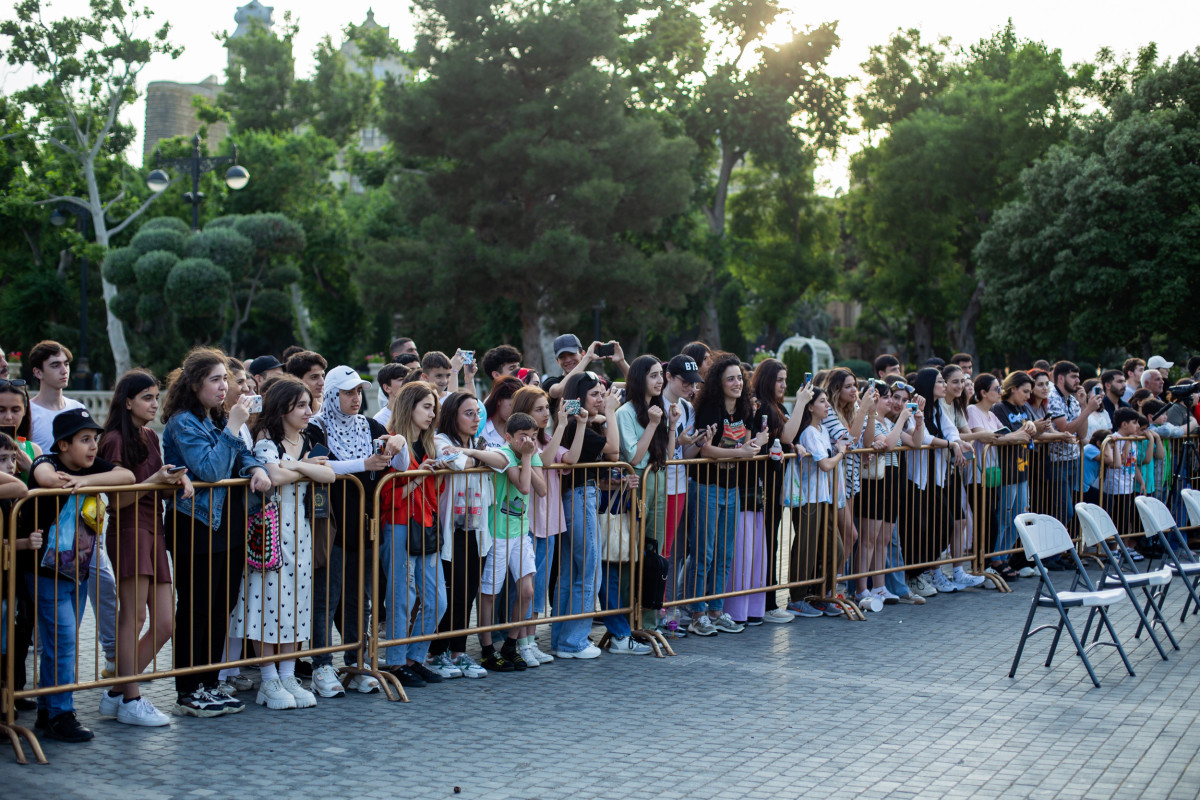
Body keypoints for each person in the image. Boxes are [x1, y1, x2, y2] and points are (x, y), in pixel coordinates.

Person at [162, 347, 273, 717]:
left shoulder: (218, 421)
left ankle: (210, 683)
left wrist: (256, 468)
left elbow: (243, 456)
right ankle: (188, 689)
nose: (224, 386)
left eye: (226, 378)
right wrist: (232, 427)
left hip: (229, 524)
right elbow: (209, 470)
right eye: (215, 379)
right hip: (195, 524)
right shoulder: (182, 423)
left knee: (221, 607)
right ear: (195, 385)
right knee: (196, 608)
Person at [23, 409, 135, 742]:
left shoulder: (88, 468)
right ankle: (61, 713)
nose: (92, 447)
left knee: (61, 643)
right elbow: (45, 477)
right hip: (45, 571)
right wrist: (76, 479)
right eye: (84, 440)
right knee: (65, 640)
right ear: (63, 444)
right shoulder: (48, 460)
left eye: (95, 440)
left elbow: (127, 477)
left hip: (78, 570)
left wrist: (86, 481)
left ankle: (48, 710)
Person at [230, 378, 333, 710]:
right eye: (300, 405)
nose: (307, 411)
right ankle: (269, 676)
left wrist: (295, 466)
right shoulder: (266, 441)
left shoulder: (307, 439)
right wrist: (304, 468)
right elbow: (272, 475)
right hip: (271, 529)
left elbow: (329, 475)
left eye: (308, 404)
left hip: (301, 531)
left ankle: (288, 672)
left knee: (298, 602)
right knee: (267, 603)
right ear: (283, 407)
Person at [97, 370, 190, 727]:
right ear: (128, 401)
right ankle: (131, 697)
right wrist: (155, 481)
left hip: (155, 529)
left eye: (156, 396)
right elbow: (117, 503)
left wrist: (176, 478)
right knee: (133, 617)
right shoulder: (115, 439)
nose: (154, 403)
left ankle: (117, 692)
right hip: (130, 529)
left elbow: (155, 482)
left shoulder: (150, 435)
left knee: (165, 622)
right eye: (147, 398)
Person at [28, 340, 119, 675]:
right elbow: (40, 467)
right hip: (47, 524)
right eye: (56, 364)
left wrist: (86, 481)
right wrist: (53, 475)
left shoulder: (78, 406)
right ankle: (48, 680)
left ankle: (112, 656)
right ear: (37, 371)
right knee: (58, 621)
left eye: (66, 363)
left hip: (85, 528)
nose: (64, 369)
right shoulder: (31, 411)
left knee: (102, 584)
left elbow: (112, 470)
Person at [307, 365, 390, 696]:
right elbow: (319, 464)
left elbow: (397, 463)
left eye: (358, 392)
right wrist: (363, 465)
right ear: (331, 396)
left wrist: (396, 443)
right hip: (333, 527)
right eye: (347, 392)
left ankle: (357, 663)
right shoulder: (317, 428)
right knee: (327, 599)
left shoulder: (369, 426)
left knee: (361, 601)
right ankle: (321, 666)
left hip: (366, 526)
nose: (356, 398)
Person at [426, 391, 508, 679]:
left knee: (469, 590)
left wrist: (472, 452)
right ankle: (437, 652)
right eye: (468, 413)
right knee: (450, 592)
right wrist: (473, 458)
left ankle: (459, 652)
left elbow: (502, 460)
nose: (476, 419)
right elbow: (457, 464)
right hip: (451, 529)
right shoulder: (439, 440)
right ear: (453, 415)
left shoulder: (477, 442)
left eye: (477, 413)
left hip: (476, 529)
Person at [686, 353, 768, 636]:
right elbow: (704, 449)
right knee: (704, 554)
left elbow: (745, 445)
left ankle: (716, 611)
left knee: (724, 553)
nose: (736, 383)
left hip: (731, 488)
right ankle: (697, 614)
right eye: (730, 378)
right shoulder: (709, 409)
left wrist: (756, 444)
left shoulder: (745, 410)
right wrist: (741, 451)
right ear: (718, 382)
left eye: (739, 378)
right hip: (707, 485)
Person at [379, 382, 449, 688]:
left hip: (425, 524)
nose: (432, 414)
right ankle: (395, 662)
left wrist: (436, 472)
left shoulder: (429, 443)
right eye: (426, 407)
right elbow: (387, 497)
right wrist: (421, 477)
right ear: (409, 407)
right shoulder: (392, 443)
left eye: (434, 408)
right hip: (397, 525)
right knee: (401, 598)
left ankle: (413, 658)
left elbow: (432, 492)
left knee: (437, 600)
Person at [509, 386, 585, 657]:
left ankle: (530, 639)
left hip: (551, 519)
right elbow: (543, 459)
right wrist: (562, 425)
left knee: (539, 587)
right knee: (528, 587)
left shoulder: (549, 436)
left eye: (545, 408)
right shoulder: (525, 443)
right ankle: (521, 642)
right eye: (538, 409)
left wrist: (581, 424)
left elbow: (571, 458)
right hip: (530, 521)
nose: (545, 414)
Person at [550, 372, 620, 658]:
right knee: (589, 570)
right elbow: (615, 452)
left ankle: (562, 639)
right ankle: (574, 641)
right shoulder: (580, 428)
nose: (601, 399)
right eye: (595, 394)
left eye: (602, 394)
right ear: (578, 398)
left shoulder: (571, 425)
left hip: (573, 497)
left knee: (570, 571)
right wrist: (612, 413)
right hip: (580, 498)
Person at [614, 355, 676, 646]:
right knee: (635, 552)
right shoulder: (626, 412)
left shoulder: (659, 408)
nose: (659, 380)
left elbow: (668, 455)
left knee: (655, 552)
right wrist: (652, 424)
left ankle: (650, 620)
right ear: (640, 379)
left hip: (659, 481)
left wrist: (671, 425)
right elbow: (635, 457)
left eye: (660, 374)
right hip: (638, 483)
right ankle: (630, 622)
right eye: (653, 375)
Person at [477, 413, 547, 670]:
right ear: (509, 438)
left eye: (532, 436)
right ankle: (486, 648)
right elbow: (524, 487)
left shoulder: (530, 453)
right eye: (522, 437)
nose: (528, 441)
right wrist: (526, 457)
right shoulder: (505, 453)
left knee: (527, 591)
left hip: (520, 533)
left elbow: (541, 489)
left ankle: (510, 644)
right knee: (490, 595)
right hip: (498, 533)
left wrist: (530, 455)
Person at [746, 358, 809, 623]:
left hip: (773, 484)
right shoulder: (762, 405)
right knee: (767, 543)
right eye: (779, 380)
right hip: (762, 485)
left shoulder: (776, 405)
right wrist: (802, 403)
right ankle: (768, 603)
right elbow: (785, 435)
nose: (784, 385)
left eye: (786, 380)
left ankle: (768, 601)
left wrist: (795, 447)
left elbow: (787, 441)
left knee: (770, 542)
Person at [660, 355, 709, 632]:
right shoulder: (656, 404)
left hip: (679, 485)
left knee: (674, 551)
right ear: (670, 377)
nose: (690, 388)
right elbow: (666, 453)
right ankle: (657, 609)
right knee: (660, 551)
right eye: (685, 382)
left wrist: (699, 443)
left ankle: (667, 607)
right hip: (657, 485)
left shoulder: (688, 408)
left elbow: (684, 454)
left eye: (693, 383)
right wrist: (676, 439)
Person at [791, 387, 847, 617]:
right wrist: (840, 453)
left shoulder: (822, 430)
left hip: (823, 497)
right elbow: (824, 464)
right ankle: (797, 598)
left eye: (828, 402)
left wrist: (836, 449)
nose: (827, 406)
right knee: (806, 549)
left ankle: (820, 593)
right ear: (810, 406)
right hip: (808, 498)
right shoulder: (809, 433)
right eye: (822, 402)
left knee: (836, 549)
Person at [822, 368, 875, 605]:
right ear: (836, 390)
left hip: (851, 480)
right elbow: (848, 442)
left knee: (845, 535)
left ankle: (834, 587)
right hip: (835, 482)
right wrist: (864, 407)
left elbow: (866, 441)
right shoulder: (830, 413)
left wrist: (870, 413)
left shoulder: (851, 411)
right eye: (848, 386)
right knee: (849, 535)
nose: (854, 390)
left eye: (855, 385)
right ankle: (832, 586)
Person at [986, 371, 1038, 581]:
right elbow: (1001, 436)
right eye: (1025, 391)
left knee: (1018, 518)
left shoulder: (1024, 408)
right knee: (1005, 518)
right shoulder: (999, 408)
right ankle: (996, 559)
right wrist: (1023, 433)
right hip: (1006, 472)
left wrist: (1036, 427)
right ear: (1013, 388)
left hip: (1022, 471)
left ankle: (1003, 557)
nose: (1028, 396)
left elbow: (1032, 430)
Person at [544, 335, 630, 399]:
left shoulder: (595, 381)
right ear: (558, 361)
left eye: (571, 354)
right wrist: (587, 358)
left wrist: (621, 361)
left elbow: (634, 386)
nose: (568, 360)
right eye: (562, 357)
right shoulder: (551, 382)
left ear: (583, 354)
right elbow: (558, 391)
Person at [0, 375, 42, 479]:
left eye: (15, 410)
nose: (8, 417)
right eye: (1, 410)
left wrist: (30, 468)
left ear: (24, 411)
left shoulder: (34, 450)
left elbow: (46, 493)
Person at [482, 376, 523, 449]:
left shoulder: (522, 430)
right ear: (499, 400)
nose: (515, 411)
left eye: (519, 407)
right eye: (512, 406)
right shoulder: (481, 427)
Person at [373, 362, 410, 427]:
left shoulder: (417, 413)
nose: (407, 383)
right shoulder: (380, 420)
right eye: (401, 379)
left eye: (408, 379)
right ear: (387, 388)